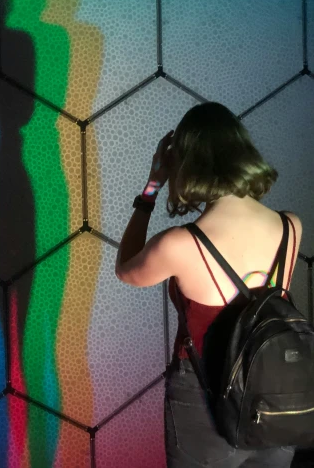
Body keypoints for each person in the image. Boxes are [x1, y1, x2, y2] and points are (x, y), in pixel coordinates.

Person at [114, 102, 302, 467]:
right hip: (276, 393)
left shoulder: (180, 244)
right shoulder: (291, 226)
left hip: (205, 399)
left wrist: (152, 186)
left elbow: (126, 269)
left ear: (187, 164)